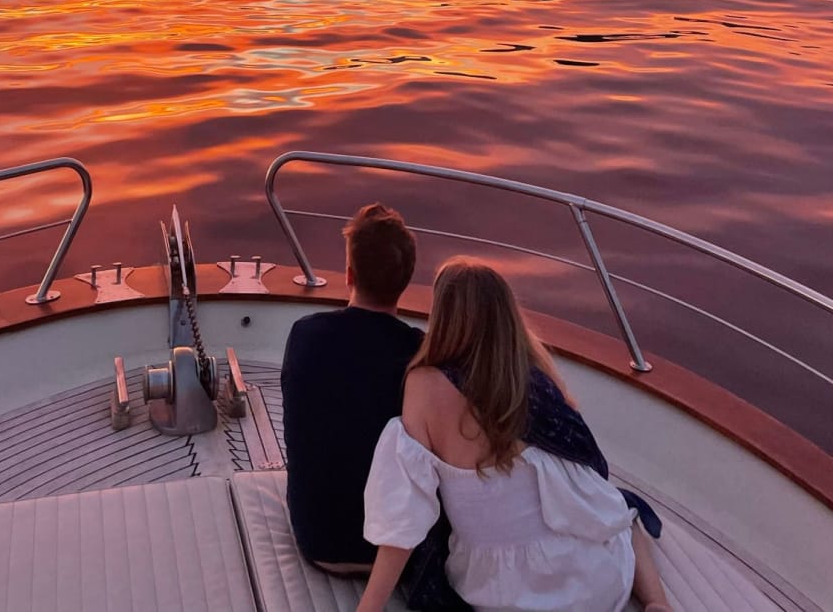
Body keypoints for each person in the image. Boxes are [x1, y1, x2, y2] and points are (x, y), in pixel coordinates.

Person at [359, 258, 671, 612]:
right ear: (506, 315)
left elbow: (405, 510)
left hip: (497, 593)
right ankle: (657, 602)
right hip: (586, 587)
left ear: (443, 315)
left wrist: (368, 607)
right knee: (623, 511)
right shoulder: (533, 383)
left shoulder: (423, 386)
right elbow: (587, 475)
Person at [281, 202, 421, 571]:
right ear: (406, 280)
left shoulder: (305, 334)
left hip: (317, 538)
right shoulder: (420, 355)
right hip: (393, 551)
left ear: (348, 274)